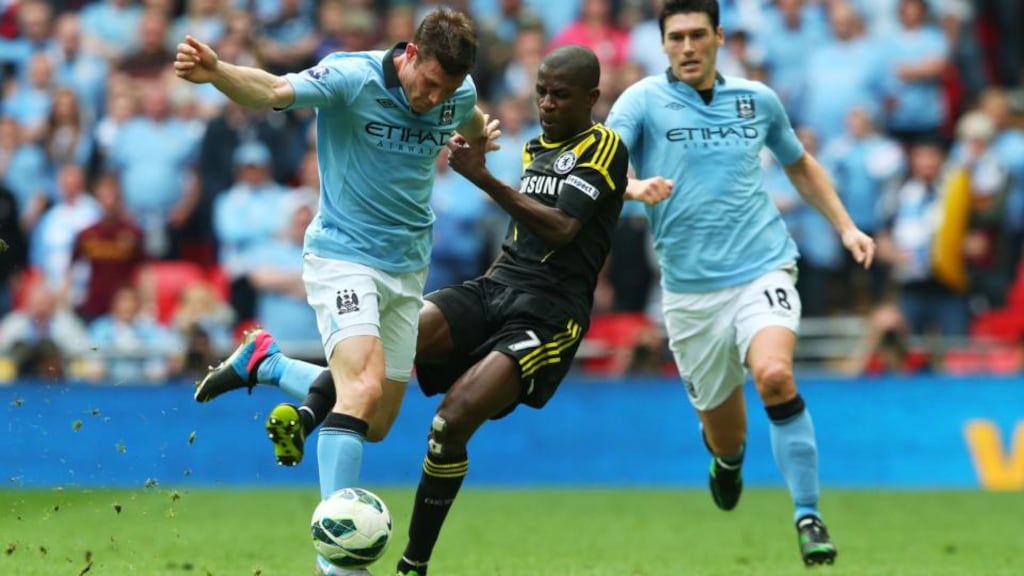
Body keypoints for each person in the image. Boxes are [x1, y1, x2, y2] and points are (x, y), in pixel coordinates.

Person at [194, 45, 627, 576]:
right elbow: (282, 89)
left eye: (560, 95)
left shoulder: (603, 145)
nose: (547, 103)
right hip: (494, 286)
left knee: (445, 424)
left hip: (548, 317)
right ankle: (281, 387)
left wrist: (482, 177)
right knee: (366, 384)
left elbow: (562, 228)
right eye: (541, 91)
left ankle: (411, 565)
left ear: (591, 97)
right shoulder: (533, 145)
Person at [178, 9, 491, 576]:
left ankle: (268, 364)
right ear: (411, 55)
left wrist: (479, 137)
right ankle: (338, 558)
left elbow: (470, 117)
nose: (433, 98)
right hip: (342, 257)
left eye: (446, 89)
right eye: (428, 83)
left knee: (375, 420)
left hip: (406, 269)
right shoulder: (352, 76)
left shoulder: (457, 92)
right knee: (363, 384)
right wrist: (218, 70)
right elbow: (274, 89)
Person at [604, 0, 875, 566]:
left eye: (697, 35)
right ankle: (727, 462)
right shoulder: (643, 101)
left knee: (775, 375)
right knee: (727, 438)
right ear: (662, 44)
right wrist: (630, 188)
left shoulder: (756, 100)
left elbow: (798, 163)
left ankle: (807, 514)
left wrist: (846, 226)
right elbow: (605, 159)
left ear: (719, 36)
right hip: (690, 294)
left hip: (763, 265)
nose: (687, 47)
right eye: (675, 37)